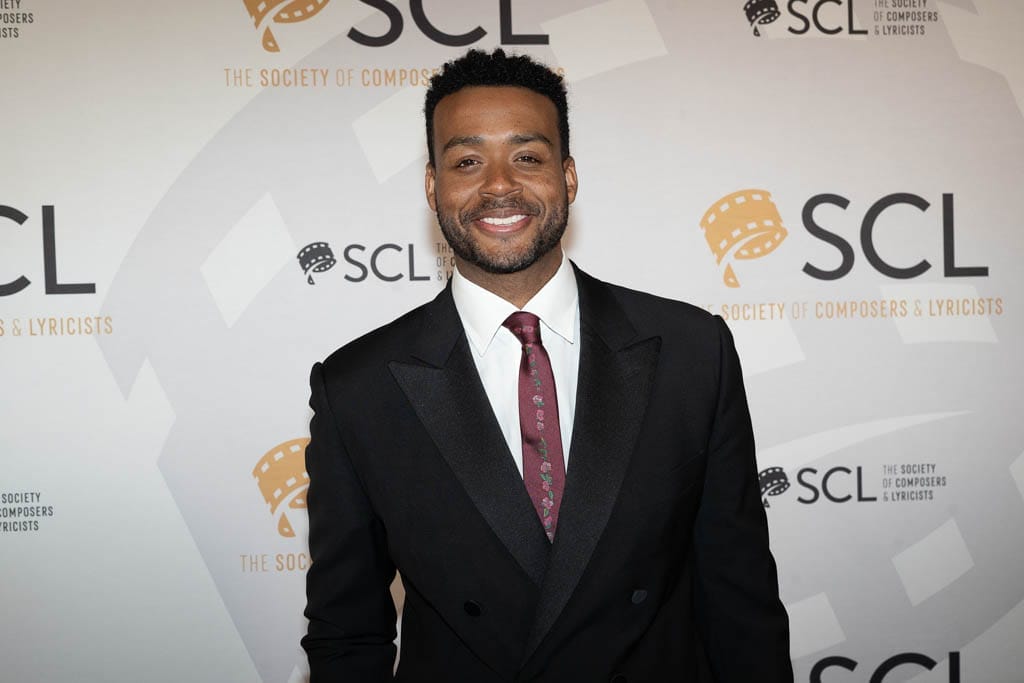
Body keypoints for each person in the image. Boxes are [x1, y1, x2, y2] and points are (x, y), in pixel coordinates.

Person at [301, 48, 792, 682]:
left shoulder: (692, 351)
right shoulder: (357, 388)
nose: (499, 185)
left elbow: (740, 598)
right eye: (467, 161)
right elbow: (347, 636)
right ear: (432, 186)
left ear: (569, 176)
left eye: (527, 157)